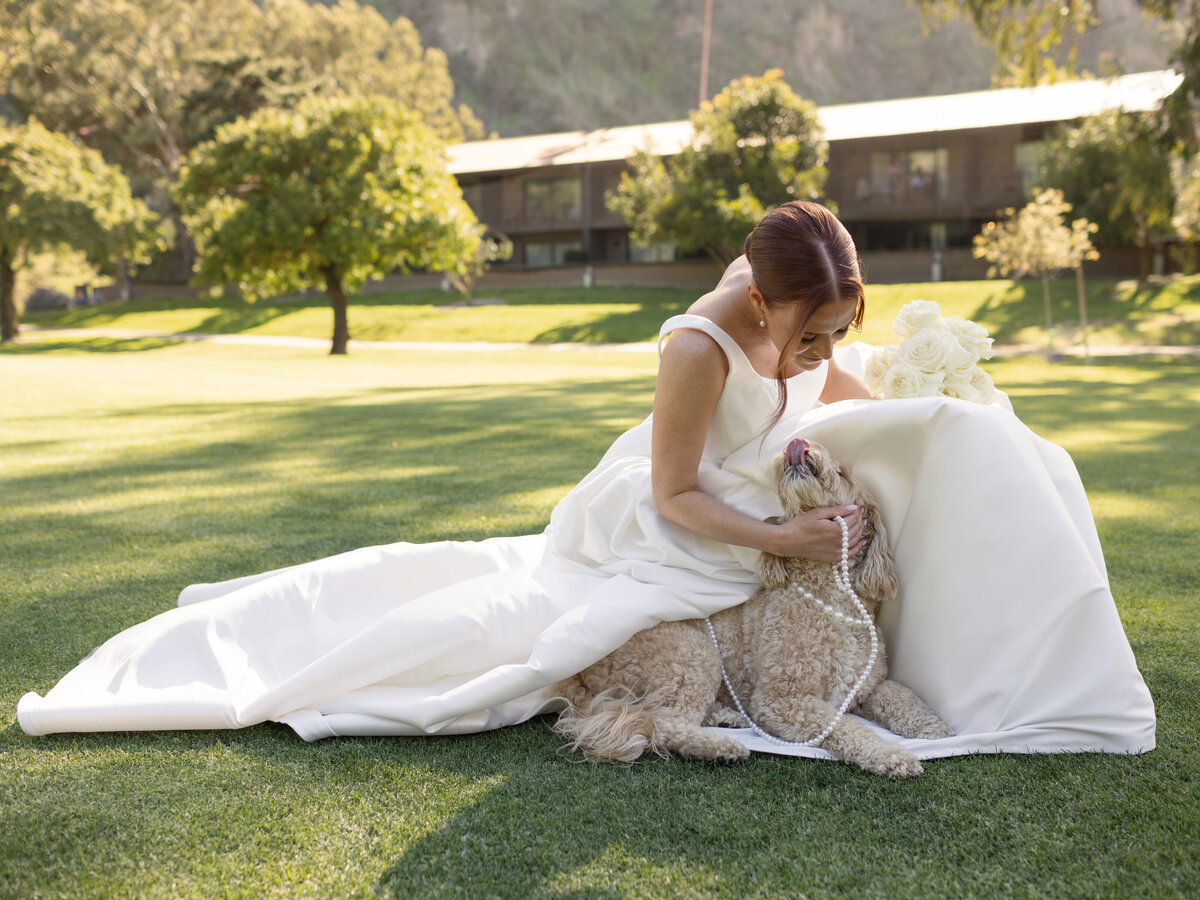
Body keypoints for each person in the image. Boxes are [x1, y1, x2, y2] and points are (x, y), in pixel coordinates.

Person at [18, 202, 1155, 761]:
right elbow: (673, 498)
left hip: (743, 504)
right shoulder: (697, 347)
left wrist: (929, 403)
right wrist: (782, 541)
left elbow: (834, 389)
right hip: (665, 524)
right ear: (760, 305)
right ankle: (283, 660)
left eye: (832, 337)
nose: (816, 360)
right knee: (515, 643)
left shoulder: (798, 323)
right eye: (806, 338)